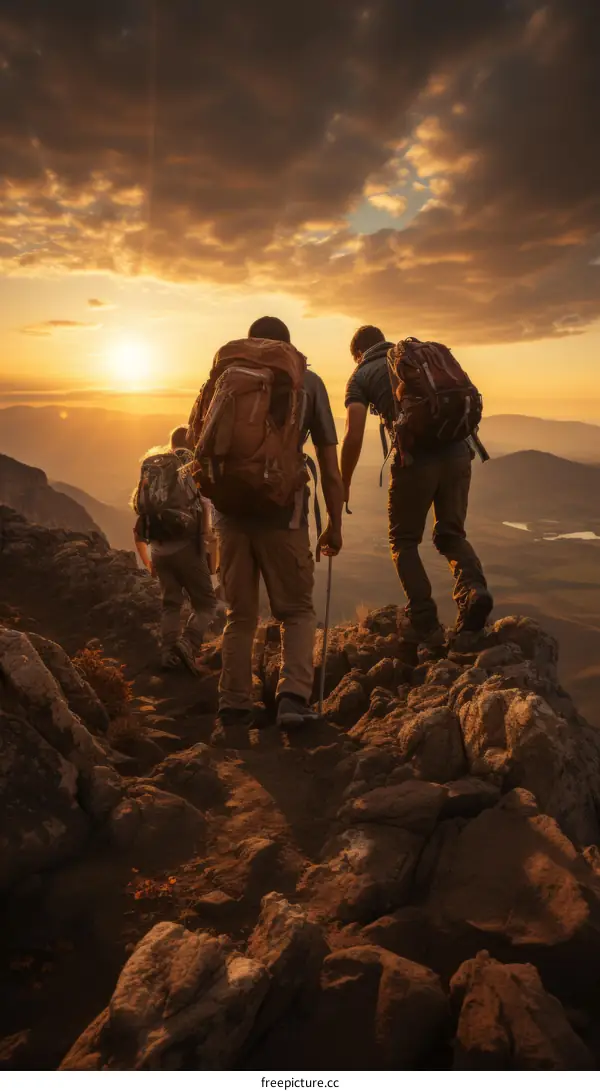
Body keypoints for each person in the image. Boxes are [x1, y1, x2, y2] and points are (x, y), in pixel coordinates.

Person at [188, 316, 344, 729]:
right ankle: (293, 698)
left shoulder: (225, 378)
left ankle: (234, 705)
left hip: (229, 514)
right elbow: (330, 468)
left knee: (240, 615)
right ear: (289, 349)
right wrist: (334, 524)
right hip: (282, 515)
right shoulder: (308, 383)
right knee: (296, 610)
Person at [341, 324, 492, 644]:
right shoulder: (414, 358)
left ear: (357, 353)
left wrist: (343, 482)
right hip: (458, 452)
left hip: (414, 461)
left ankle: (425, 622)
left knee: (404, 541)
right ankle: (474, 590)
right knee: (451, 534)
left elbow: (353, 434)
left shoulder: (360, 375)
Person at [133, 426, 217, 672]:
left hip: (159, 550)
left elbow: (139, 517)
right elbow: (205, 516)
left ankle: (168, 654)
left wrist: (150, 561)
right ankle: (188, 644)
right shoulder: (188, 470)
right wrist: (210, 553)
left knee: (171, 604)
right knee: (206, 605)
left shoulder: (155, 471)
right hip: (186, 549)